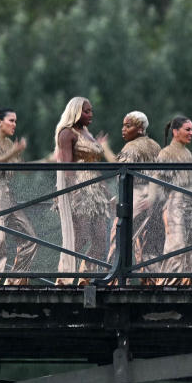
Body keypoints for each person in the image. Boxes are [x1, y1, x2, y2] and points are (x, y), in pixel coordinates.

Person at [54, 97, 113, 285]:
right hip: (79, 190)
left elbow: (94, 165)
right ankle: (64, 277)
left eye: (91, 111)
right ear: (76, 112)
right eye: (86, 111)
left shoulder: (87, 132)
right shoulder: (66, 133)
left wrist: (107, 192)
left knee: (100, 240)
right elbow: (67, 167)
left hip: (96, 191)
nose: (91, 115)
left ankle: (85, 276)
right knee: (81, 237)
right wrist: (74, 193)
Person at [0, 108, 37, 285]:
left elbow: (23, 168)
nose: (14, 125)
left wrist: (49, 160)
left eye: (16, 121)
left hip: (7, 195)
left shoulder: (9, 143)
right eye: (11, 120)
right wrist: (14, 151)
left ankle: (14, 281)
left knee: (30, 239)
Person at [106, 111, 164, 281]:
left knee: (118, 236)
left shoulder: (131, 147)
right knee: (149, 241)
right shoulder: (155, 145)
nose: (123, 129)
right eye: (123, 125)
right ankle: (153, 281)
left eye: (128, 126)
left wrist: (106, 149)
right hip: (157, 195)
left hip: (136, 194)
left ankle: (114, 279)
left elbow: (120, 169)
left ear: (139, 129)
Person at [150, 116, 192, 285]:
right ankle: (170, 282)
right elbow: (157, 180)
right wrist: (151, 202)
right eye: (187, 129)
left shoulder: (188, 153)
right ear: (176, 132)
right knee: (177, 243)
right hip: (175, 203)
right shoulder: (166, 153)